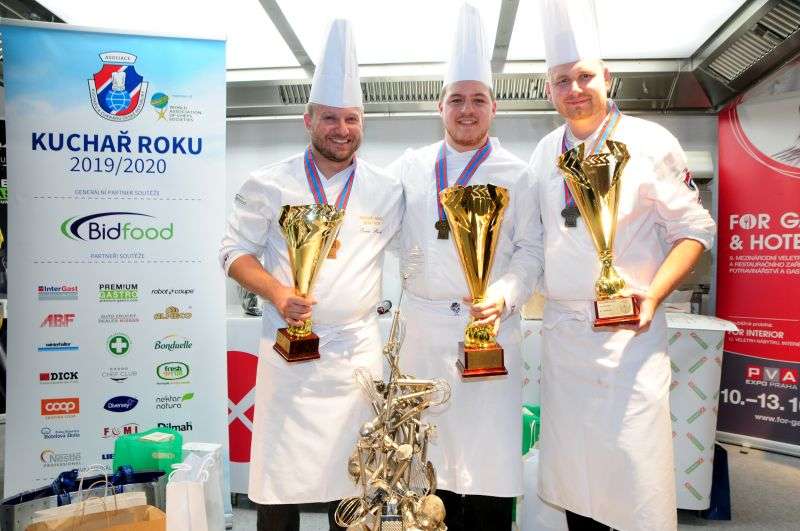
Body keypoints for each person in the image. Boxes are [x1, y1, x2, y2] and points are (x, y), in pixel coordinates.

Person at [529, 1, 717, 529]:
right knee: (576, 476)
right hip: (566, 338)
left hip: (629, 337)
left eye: (585, 76)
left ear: (607, 78)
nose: (575, 89)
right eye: (562, 80)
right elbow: (535, 239)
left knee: (633, 470)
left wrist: (653, 296)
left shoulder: (651, 141)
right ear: (549, 89)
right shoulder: (544, 152)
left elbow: (695, 230)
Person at [219, 20, 403, 531]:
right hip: (289, 355)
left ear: (362, 122)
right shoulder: (268, 183)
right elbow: (232, 253)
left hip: (355, 356)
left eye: (351, 118)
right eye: (330, 118)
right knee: (278, 483)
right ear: (308, 120)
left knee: (355, 480)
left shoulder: (387, 190)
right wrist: (278, 291)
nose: (342, 129)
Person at [388, 5, 543, 530]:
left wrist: (507, 293)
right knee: (426, 460)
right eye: (457, 99)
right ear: (441, 106)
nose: (467, 109)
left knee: (488, 463)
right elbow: (374, 225)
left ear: (494, 107)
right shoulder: (410, 167)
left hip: (491, 332)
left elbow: (532, 250)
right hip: (423, 336)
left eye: (478, 99)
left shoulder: (518, 174)